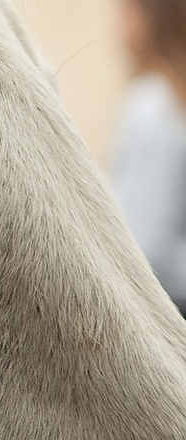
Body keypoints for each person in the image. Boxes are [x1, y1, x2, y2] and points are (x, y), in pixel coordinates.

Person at [111, 0, 186, 312]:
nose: (119, 29)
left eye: (127, 12)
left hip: (166, 311)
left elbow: (143, 248)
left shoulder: (152, 103)